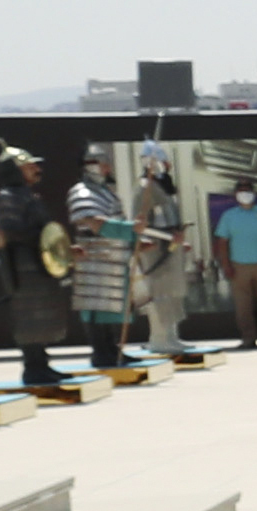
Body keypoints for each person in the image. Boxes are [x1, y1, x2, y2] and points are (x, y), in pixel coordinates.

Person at [0, 146, 72, 392]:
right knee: (28, 318)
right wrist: (42, 240)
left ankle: (42, 364)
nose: (37, 170)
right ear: (16, 170)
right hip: (22, 268)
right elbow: (8, 233)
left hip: (38, 265)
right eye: (31, 166)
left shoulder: (29, 197)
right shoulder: (7, 198)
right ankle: (33, 368)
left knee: (41, 317)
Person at [66, 150, 135, 373]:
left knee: (111, 305)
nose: (108, 169)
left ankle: (113, 350)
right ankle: (101, 352)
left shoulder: (106, 191)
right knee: (96, 305)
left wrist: (133, 238)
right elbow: (94, 223)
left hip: (112, 254)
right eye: (104, 164)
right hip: (94, 254)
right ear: (92, 165)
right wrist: (129, 229)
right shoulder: (81, 191)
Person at [213, 176, 257, 345]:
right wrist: (226, 265)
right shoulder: (228, 216)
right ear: (236, 194)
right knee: (243, 306)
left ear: (254, 193)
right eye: (241, 190)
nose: (245, 194)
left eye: (248, 190)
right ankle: (248, 338)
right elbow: (222, 242)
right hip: (238, 266)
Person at [134, 149, 190, 354]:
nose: (167, 164)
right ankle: (159, 339)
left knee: (173, 294)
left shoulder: (164, 187)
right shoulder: (144, 188)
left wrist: (177, 239)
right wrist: (168, 238)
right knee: (159, 296)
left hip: (171, 248)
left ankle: (171, 336)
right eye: (163, 161)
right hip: (155, 249)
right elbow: (139, 224)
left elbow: (171, 220)